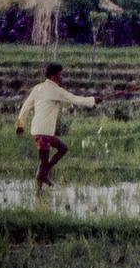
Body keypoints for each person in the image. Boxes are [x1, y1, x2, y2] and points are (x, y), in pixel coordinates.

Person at [15, 63, 99, 195]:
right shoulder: (55, 90)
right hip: (44, 132)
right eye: (60, 75)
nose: (61, 77)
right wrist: (93, 100)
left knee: (59, 151)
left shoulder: (38, 88)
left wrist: (20, 125)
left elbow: (25, 106)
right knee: (45, 161)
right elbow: (74, 99)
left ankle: (41, 180)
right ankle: (40, 184)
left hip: (37, 130)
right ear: (54, 76)